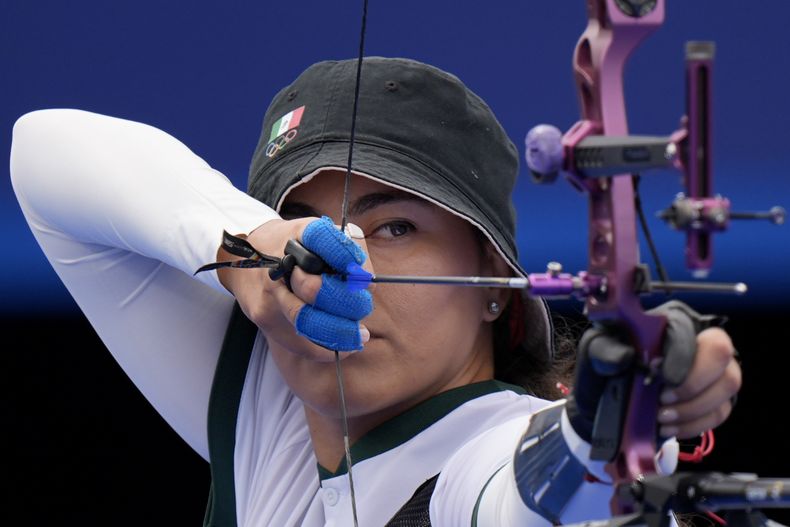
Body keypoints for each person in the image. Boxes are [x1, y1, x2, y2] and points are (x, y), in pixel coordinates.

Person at [10, 57, 741, 526]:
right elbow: (42, 152)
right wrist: (244, 250)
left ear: (493, 284)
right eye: (307, 229)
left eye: (392, 227)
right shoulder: (271, 405)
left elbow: (535, 489)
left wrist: (608, 420)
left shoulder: (484, 450)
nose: (345, 267)